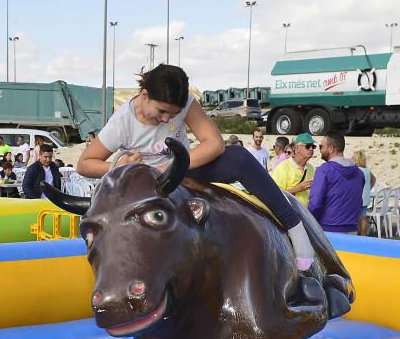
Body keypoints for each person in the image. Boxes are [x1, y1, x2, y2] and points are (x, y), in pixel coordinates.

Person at [77, 64, 316, 270]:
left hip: (180, 170)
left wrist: (167, 167)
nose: (166, 119)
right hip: (144, 187)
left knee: (240, 157)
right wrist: (119, 165)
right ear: (145, 94)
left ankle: (294, 225)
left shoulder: (185, 104)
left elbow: (214, 143)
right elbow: (84, 164)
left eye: (173, 114)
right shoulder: (122, 122)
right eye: (161, 111)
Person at [308, 133, 365, 234]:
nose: (320, 150)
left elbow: (315, 204)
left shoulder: (324, 171)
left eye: (321, 146)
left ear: (330, 149)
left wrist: (310, 222)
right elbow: (359, 200)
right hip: (352, 228)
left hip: (328, 229)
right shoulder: (359, 173)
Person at [271, 133, 316, 206]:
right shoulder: (283, 167)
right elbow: (275, 195)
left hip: (306, 215)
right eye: (308, 146)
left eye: (313, 146)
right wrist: (297, 189)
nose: (311, 149)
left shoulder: (311, 168)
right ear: (297, 148)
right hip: (291, 214)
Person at [353, 150, 377, 236]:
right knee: (363, 218)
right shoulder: (367, 170)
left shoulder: (356, 170)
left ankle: (355, 235)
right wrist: (368, 188)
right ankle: (363, 235)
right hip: (366, 197)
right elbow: (374, 179)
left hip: (357, 198)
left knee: (355, 218)